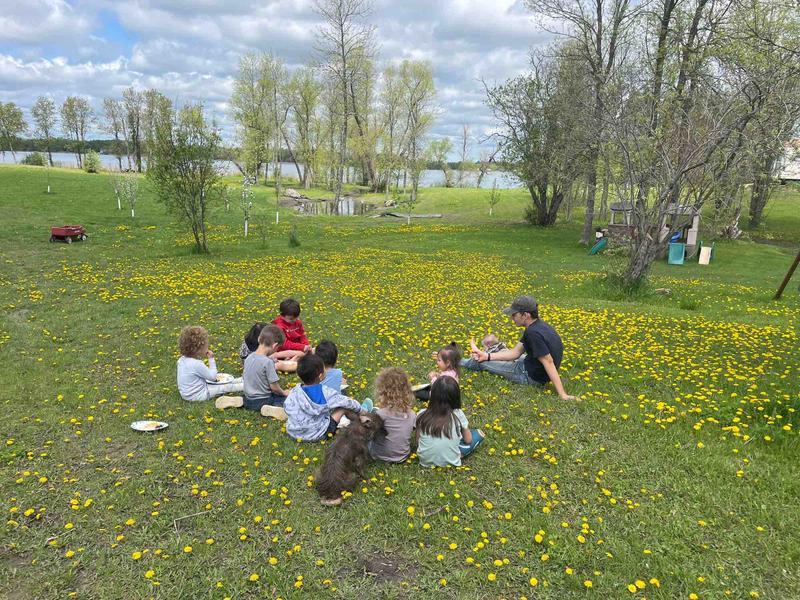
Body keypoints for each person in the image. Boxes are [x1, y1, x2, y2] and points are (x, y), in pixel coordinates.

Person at [463, 295, 577, 400]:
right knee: (497, 355)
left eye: (514, 314)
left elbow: (548, 361)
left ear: (525, 315)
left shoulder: (533, 334)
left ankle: (454, 360)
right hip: (531, 366)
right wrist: (486, 356)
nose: (512, 318)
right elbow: (515, 353)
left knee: (480, 363)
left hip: (529, 376)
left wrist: (562, 394)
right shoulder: (539, 326)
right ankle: (489, 352)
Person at [283, 354, 363, 442]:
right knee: (342, 408)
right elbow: (347, 402)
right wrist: (360, 408)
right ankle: (362, 421)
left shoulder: (294, 391)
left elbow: (287, 407)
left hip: (294, 433)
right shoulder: (325, 392)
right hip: (319, 434)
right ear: (320, 376)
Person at [217, 325, 289, 419]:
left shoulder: (249, 358)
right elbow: (274, 387)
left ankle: (241, 400)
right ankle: (272, 408)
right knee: (285, 399)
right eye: (277, 348)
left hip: (248, 398)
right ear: (274, 345)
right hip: (263, 400)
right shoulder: (268, 362)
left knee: (251, 398)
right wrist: (284, 393)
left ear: (259, 339)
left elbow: (244, 376)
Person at [416, 376, 484, 467]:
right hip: (452, 461)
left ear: (432, 395)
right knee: (476, 435)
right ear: (456, 397)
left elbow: (418, 441)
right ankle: (459, 452)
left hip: (425, 462)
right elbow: (468, 440)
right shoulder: (458, 414)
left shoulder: (421, 414)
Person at [176, 325, 243, 401]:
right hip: (199, 395)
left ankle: (240, 380)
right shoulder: (196, 364)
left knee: (222, 382)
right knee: (224, 387)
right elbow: (213, 377)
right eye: (206, 346)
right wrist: (211, 359)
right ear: (199, 349)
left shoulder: (181, 360)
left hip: (186, 394)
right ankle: (245, 386)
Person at [369, 368, 417, 463]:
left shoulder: (380, 414)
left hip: (378, 456)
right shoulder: (411, 414)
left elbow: (371, 434)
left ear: (383, 392)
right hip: (402, 456)